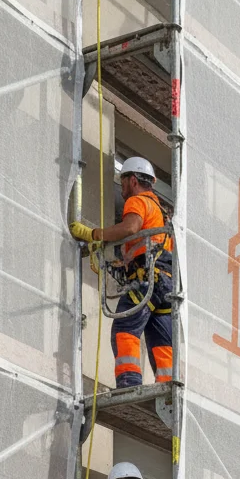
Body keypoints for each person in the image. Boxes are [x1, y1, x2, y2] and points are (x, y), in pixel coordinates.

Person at [69, 156, 174, 389]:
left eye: (123, 181)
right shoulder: (161, 212)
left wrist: (94, 234)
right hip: (165, 285)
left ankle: (129, 382)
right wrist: (119, 261)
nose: (122, 187)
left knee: (124, 329)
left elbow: (130, 228)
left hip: (147, 279)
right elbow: (144, 244)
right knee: (161, 343)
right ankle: (166, 390)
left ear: (133, 180)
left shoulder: (138, 201)